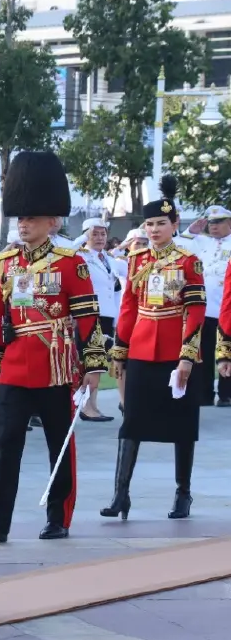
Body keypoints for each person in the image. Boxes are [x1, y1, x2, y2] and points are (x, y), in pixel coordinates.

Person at [0, 151, 106, 543]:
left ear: (52, 221)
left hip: (57, 366)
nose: (24, 225)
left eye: (31, 219)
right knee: (6, 446)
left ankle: (58, 516)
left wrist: (94, 363)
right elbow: (0, 317)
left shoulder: (71, 262)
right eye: (21, 218)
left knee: (59, 447)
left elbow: (87, 315)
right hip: (17, 366)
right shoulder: (6, 262)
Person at [104, 176, 204, 521]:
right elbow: (129, 305)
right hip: (142, 349)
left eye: (161, 223)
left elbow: (195, 310)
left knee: (182, 424)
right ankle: (121, 494)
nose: (155, 229)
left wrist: (188, 356)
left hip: (177, 351)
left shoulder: (189, 260)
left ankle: (183, 493)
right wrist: (120, 348)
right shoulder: (138, 259)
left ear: (175, 224)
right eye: (149, 224)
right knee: (131, 421)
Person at [179, 205, 231, 406]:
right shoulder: (202, 242)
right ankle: (205, 393)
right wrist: (191, 231)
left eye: (218, 223)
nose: (213, 227)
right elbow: (178, 246)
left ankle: (226, 393)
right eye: (211, 223)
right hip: (206, 307)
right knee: (204, 351)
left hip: (226, 306)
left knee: (227, 350)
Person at [74, 217, 125, 422]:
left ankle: (92, 404)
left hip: (106, 314)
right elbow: (66, 251)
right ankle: (85, 406)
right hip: (88, 314)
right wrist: (81, 238)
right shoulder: (80, 255)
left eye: (103, 233)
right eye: (94, 234)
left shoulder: (108, 258)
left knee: (99, 360)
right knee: (88, 360)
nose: (99, 238)